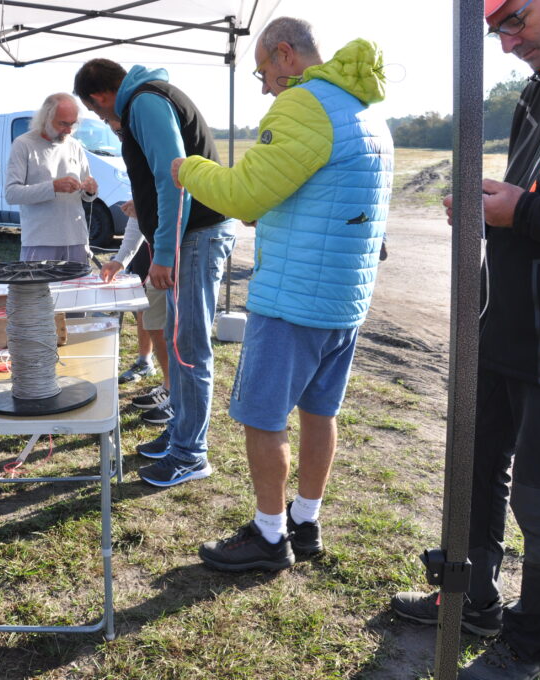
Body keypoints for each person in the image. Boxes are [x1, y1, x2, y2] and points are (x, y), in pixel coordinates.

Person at [392, 1, 540, 677]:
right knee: (474, 470)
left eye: (512, 20)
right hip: (499, 320)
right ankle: (471, 599)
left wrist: (520, 209)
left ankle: (531, 648)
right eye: (493, 30)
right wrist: (490, 204)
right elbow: (533, 189)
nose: (504, 44)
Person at [171, 18, 392, 572]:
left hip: (293, 297)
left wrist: (188, 169)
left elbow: (245, 195)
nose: (265, 86)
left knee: (263, 416)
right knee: (321, 411)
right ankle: (305, 518)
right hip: (345, 299)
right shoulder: (367, 114)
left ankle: (269, 536)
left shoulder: (303, 106)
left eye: (263, 71)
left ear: (285, 55)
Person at [74, 58, 235, 488]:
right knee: (175, 341)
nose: (102, 118)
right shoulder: (146, 101)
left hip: (196, 237)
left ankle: (190, 455)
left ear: (100, 97)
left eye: (95, 112)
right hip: (190, 237)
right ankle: (181, 435)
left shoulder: (145, 103)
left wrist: (163, 253)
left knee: (189, 348)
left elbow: (174, 180)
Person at [100, 202, 173, 426]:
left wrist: (145, 209)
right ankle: (170, 387)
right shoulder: (141, 172)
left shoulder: (163, 167)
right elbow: (137, 221)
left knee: (179, 332)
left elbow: (176, 205)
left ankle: (179, 400)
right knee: (152, 322)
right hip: (162, 255)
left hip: (182, 252)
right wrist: (119, 261)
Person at [4, 92, 98, 263]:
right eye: (63, 123)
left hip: (77, 239)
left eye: (72, 124)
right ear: (46, 117)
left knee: (77, 290)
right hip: (40, 240)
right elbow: (12, 194)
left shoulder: (74, 145)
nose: (69, 130)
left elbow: (87, 192)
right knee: (37, 290)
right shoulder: (23, 144)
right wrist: (53, 187)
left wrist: (91, 190)